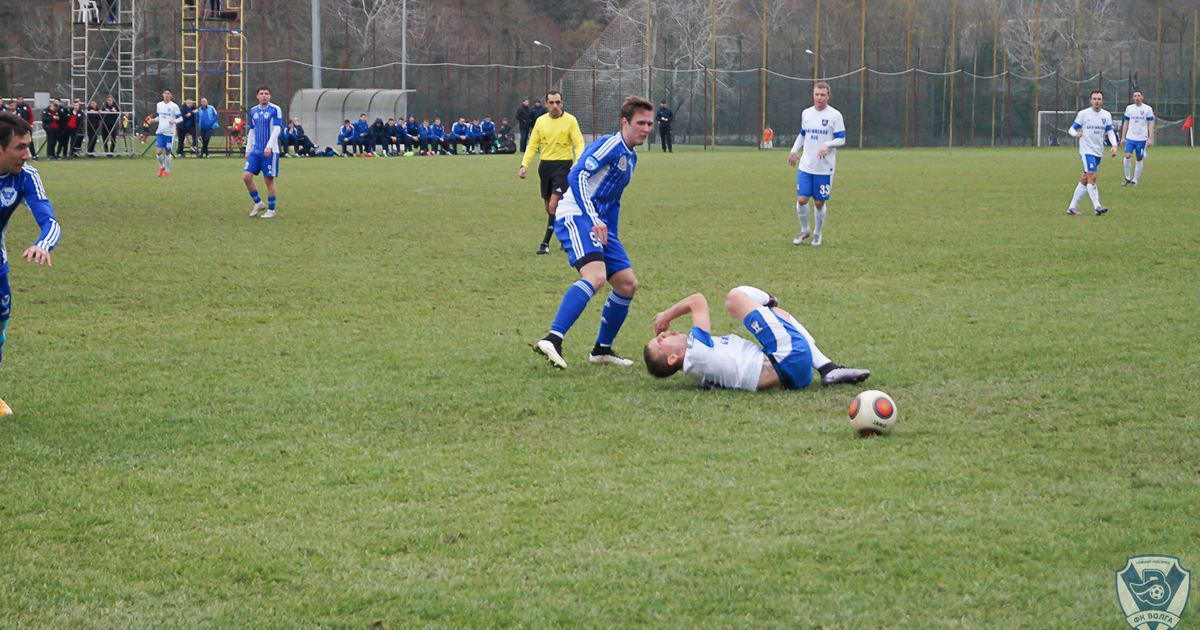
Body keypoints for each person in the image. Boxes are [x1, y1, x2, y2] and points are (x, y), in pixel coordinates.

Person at [532, 96, 655, 370]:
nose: (646, 129)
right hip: (576, 214)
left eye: (650, 123)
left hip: (599, 223)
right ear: (625, 122)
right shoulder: (611, 145)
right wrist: (592, 218)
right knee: (596, 276)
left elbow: (613, 199)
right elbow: (577, 177)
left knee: (626, 284)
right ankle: (553, 338)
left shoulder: (630, 157)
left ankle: (601, 349)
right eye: (640, 123)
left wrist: (611, 233)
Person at [643, 286, 870, 391]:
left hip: (791, 377)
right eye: (660, 341)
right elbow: (697, 300)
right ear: (673, 358)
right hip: (788, 359)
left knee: (778, 316)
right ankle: (767, 300)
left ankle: (827, 367)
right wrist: (666, 315)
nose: (663, 334)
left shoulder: (696, 365)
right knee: (735, 298)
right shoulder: (696, 353)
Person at [0, 112, 64, 414]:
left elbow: (50, 222)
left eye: (28, 146)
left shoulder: (26, 177)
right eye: (20, 148)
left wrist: (43, 243)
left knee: (0, 324)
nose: (27, 154)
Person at [519, 90, 586, 256]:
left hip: (564, 167)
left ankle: (545, 243)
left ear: (562, 103)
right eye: (551, 103)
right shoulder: (540, 122)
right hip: (545, 168)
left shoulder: (570, 120)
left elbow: (579, 143)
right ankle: (566, 237)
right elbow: (532, 145)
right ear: (546, 104)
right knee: (549, 206)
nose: (555, 106)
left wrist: (577, 163)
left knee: (554, 204)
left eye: (558, 102)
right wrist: (524, 165)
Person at [788, 82, 846, 247]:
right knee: (802, 199)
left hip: (824, 167)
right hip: (806, 165)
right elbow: (802, 135)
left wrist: (827, 145)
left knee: (819, 202)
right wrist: (794, 151)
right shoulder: (806, 113)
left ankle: (817, 234)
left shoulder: (835, 115)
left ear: (828, 96)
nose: (819, 98)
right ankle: (805, 230)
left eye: (822, 95)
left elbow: (841, 139)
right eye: (816, 94)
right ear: (813, 95)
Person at [1066, 90, 1117, 216]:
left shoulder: (1106, 115)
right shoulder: (1084, 114)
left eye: (1099, 99)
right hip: (1086, 150)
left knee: (1085, 178)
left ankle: (1072, 207)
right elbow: (1071, 129)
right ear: (1090, 100)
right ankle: (1097, 206)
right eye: (1094, 98)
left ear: (1102, 101)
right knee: (1092, 175)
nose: (1096, 101)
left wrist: (1114, 145)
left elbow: (1110, 131)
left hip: (1098, 151)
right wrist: (1075, 134)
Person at [243, 85, 283, 219]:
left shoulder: (275, 109)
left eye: (266, 93)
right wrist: (248, 149)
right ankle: (259, 203)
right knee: (246, 177)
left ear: (270, 96)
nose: (264, 95)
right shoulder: (253, 110)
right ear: (257, 96)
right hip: (256, 150)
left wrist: (269, 146)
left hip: (270, 151)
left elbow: (277, 129)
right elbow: (252, 131)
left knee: (268, 180)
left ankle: (271, 210)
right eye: (261, 93)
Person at [1120, 89, 1154, 187]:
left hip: (1142, 138)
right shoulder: (1129, 108)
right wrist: (1123, 137)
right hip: (1130, 137)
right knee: (1127, 155)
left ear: (1142, 97)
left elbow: (1150, 124)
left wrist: (1150, 138)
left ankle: (1135, 180)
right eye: (1135, 96)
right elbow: (1125, 122)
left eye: (1138, 96)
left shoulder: (1147, 109)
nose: (1137, 98)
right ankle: (1127, 178)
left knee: (1139, 158)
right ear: (1133, 97)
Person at [154, 89, 182, 177]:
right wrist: (153, 120)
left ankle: (167, 169)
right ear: (163, 94)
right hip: (160, 131)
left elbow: (180, 118)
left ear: (171, 96)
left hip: (169, 133)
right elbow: (159, 117)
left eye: (168, 93)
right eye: (165, 93)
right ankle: (162, 167)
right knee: (158, 152)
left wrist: (174, 121)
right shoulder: (159, 105)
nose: (166, 95)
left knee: (167, 152)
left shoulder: (174, 106)